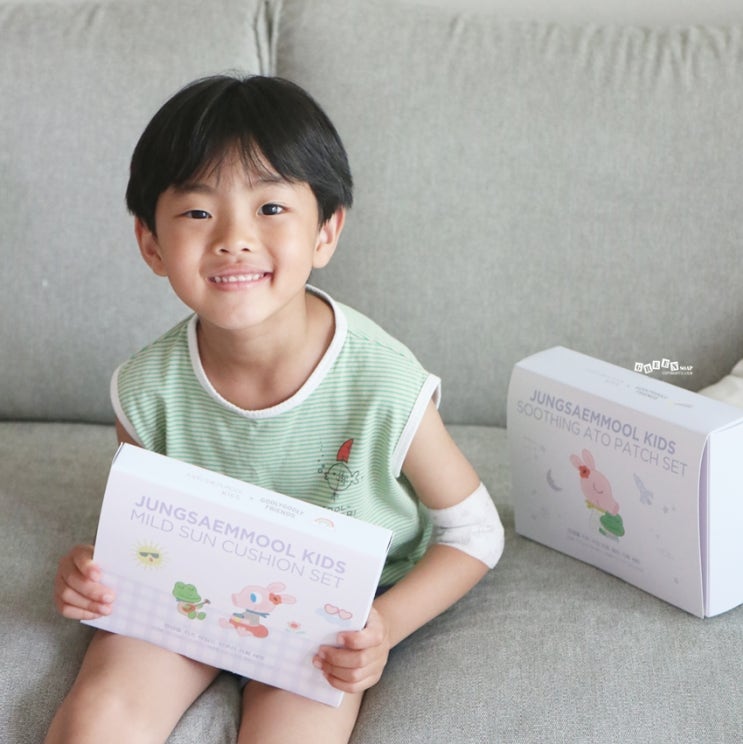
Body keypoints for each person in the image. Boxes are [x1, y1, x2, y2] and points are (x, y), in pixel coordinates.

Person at [46, 74, 504, 744]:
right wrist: (93, 571)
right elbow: (144, 531)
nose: (234, 238)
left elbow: (475, 533)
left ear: (325, 232)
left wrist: (382, 627)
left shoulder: (381, 382)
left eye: (269, 207)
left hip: (330, 620)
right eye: (197, 213)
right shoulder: (146, 390)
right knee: (97, 721)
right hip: (190, 595)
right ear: (150, 243)